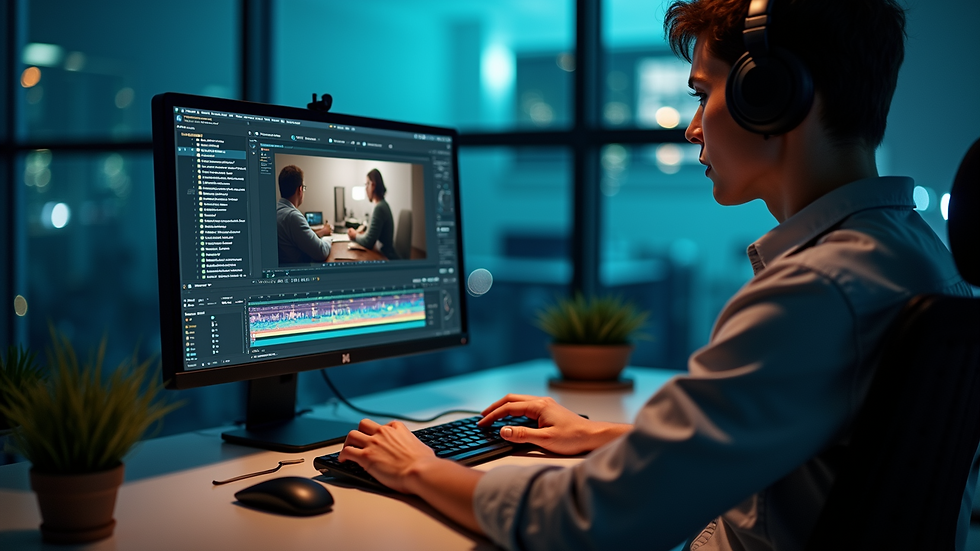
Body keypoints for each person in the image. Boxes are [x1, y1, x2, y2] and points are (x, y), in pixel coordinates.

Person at [337, 1, 976, 549]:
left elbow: (588, 522)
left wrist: (417, 468)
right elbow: (801, 444)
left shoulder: (817, 291)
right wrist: (607, 436)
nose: (694, 127)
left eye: (703, 93)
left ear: (771, 92)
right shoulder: (916, 253)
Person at [276, 165, 333, 264]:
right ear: (300, 189)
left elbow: (302, 238)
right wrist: (329, 239)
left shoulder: (277, 210)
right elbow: (321, 252)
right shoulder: (293, 216)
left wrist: (322, 231)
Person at [348, 168, 399, 260]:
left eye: (366, 184)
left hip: (386, 257)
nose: (365, 189)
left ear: (373, 185)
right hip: (383, 253)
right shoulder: (382, 205)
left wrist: (354, 235)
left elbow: (368, 241)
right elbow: (371, 234)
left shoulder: (379, 208)